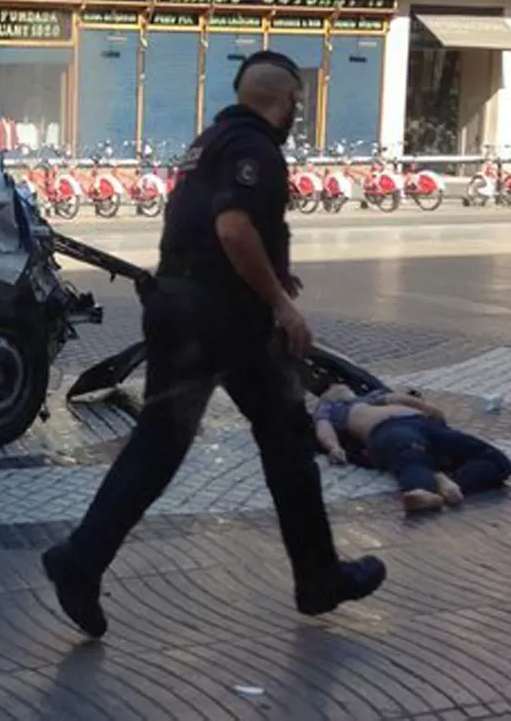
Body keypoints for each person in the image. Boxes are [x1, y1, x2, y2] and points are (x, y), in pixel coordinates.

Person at [41, 51, 386, 640]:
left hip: (178, 306)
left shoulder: (209, 142)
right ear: (289, 102)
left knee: (158, 447)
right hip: (226, 323)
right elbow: (232, 227)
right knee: (287, 440)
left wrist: (273, 275)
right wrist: (280, 303)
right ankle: (318, 578)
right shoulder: (256, 148)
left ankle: (81, 559)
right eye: (296, 104)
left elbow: (206, 230)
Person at [313, 383, 511, 513]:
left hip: (425, 424)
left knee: (498, 462)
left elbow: (402, 399)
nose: (337, 385)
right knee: (411, 461)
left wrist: (429, 409)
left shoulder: (370, 397)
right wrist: (334, 447)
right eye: (332, 387)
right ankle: (423, 491)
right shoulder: (331, 409)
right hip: (388, 429)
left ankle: (450, 484)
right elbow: (324, 428)